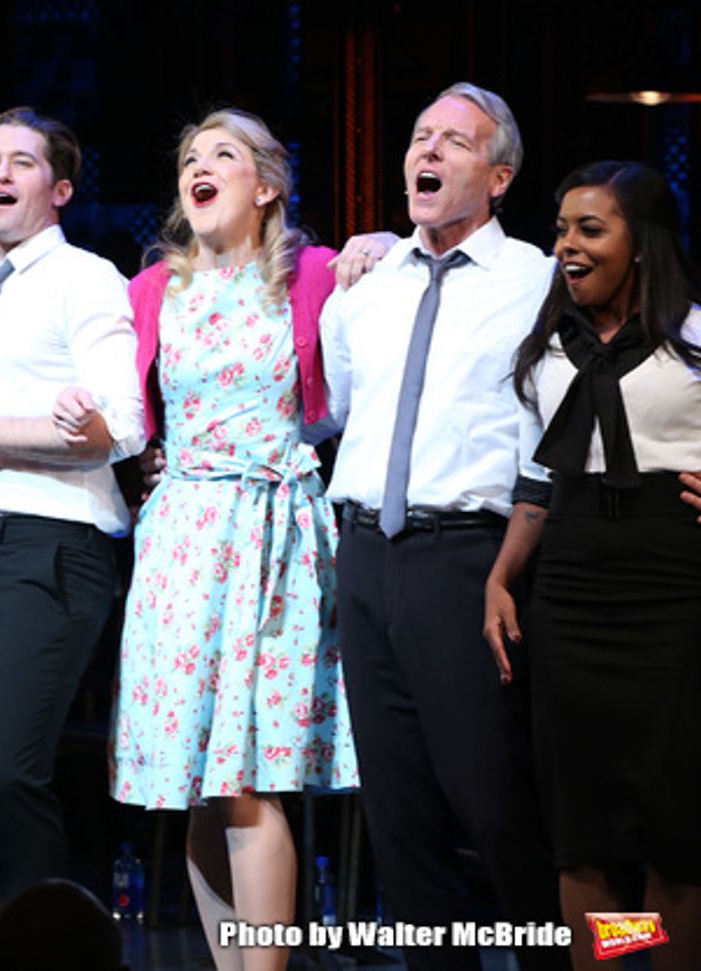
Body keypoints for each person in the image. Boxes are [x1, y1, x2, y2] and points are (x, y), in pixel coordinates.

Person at [92, 109, 357, 971]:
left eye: (224, 156)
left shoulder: (310, 276)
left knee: (243, 778)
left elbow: (347, 397)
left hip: (268, 534)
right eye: (190, 159)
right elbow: (127, 411)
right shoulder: (151, 292)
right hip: (178, 540)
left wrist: (380, 244)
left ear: (267, 185)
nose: (199, 168)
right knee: (197, 791)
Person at [318, 83, 568, 971]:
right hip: (365, 554)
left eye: (453, 142)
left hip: (468, 557)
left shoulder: (538, 278)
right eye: (420, 135)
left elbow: (661, 338)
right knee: (398, 812)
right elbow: (337, 408)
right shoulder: (365, 285)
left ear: (498, 176)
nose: (426, 151)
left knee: (492, 801)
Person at [0, 106, 145, 901]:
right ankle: (34, 937)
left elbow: (122, 424)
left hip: (52, 548)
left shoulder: (85, 278)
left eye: (20, 162)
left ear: (62, 188)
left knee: (12, 775)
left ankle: (62, 950)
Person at [484, 161, 701, 971]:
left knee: (672, 830)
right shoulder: (547, 348)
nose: (566, 245)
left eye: (590, 229)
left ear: (640, 246)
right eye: (563, 228)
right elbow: (539, 478)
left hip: (673, 584)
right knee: (583, 829)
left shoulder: (694, 338)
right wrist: (502, 577)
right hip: (572, 587)